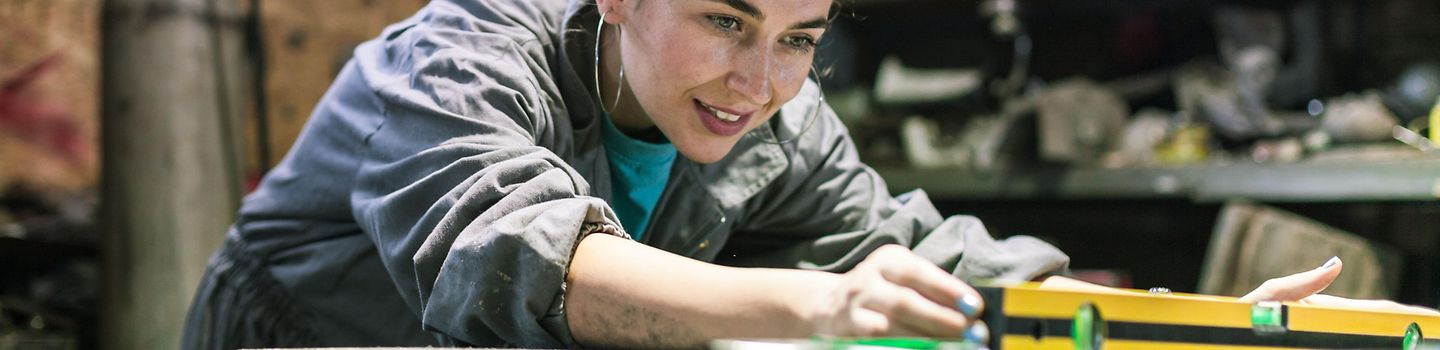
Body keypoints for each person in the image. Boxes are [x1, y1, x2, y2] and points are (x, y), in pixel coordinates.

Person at [180, 0, 1433, 349]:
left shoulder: (778, 118)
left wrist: (1230, 335)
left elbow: (915, 255)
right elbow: (526, 261)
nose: (757, 81)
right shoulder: (454, 58)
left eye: (797, 39)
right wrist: (820, 306)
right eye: (726, 21)